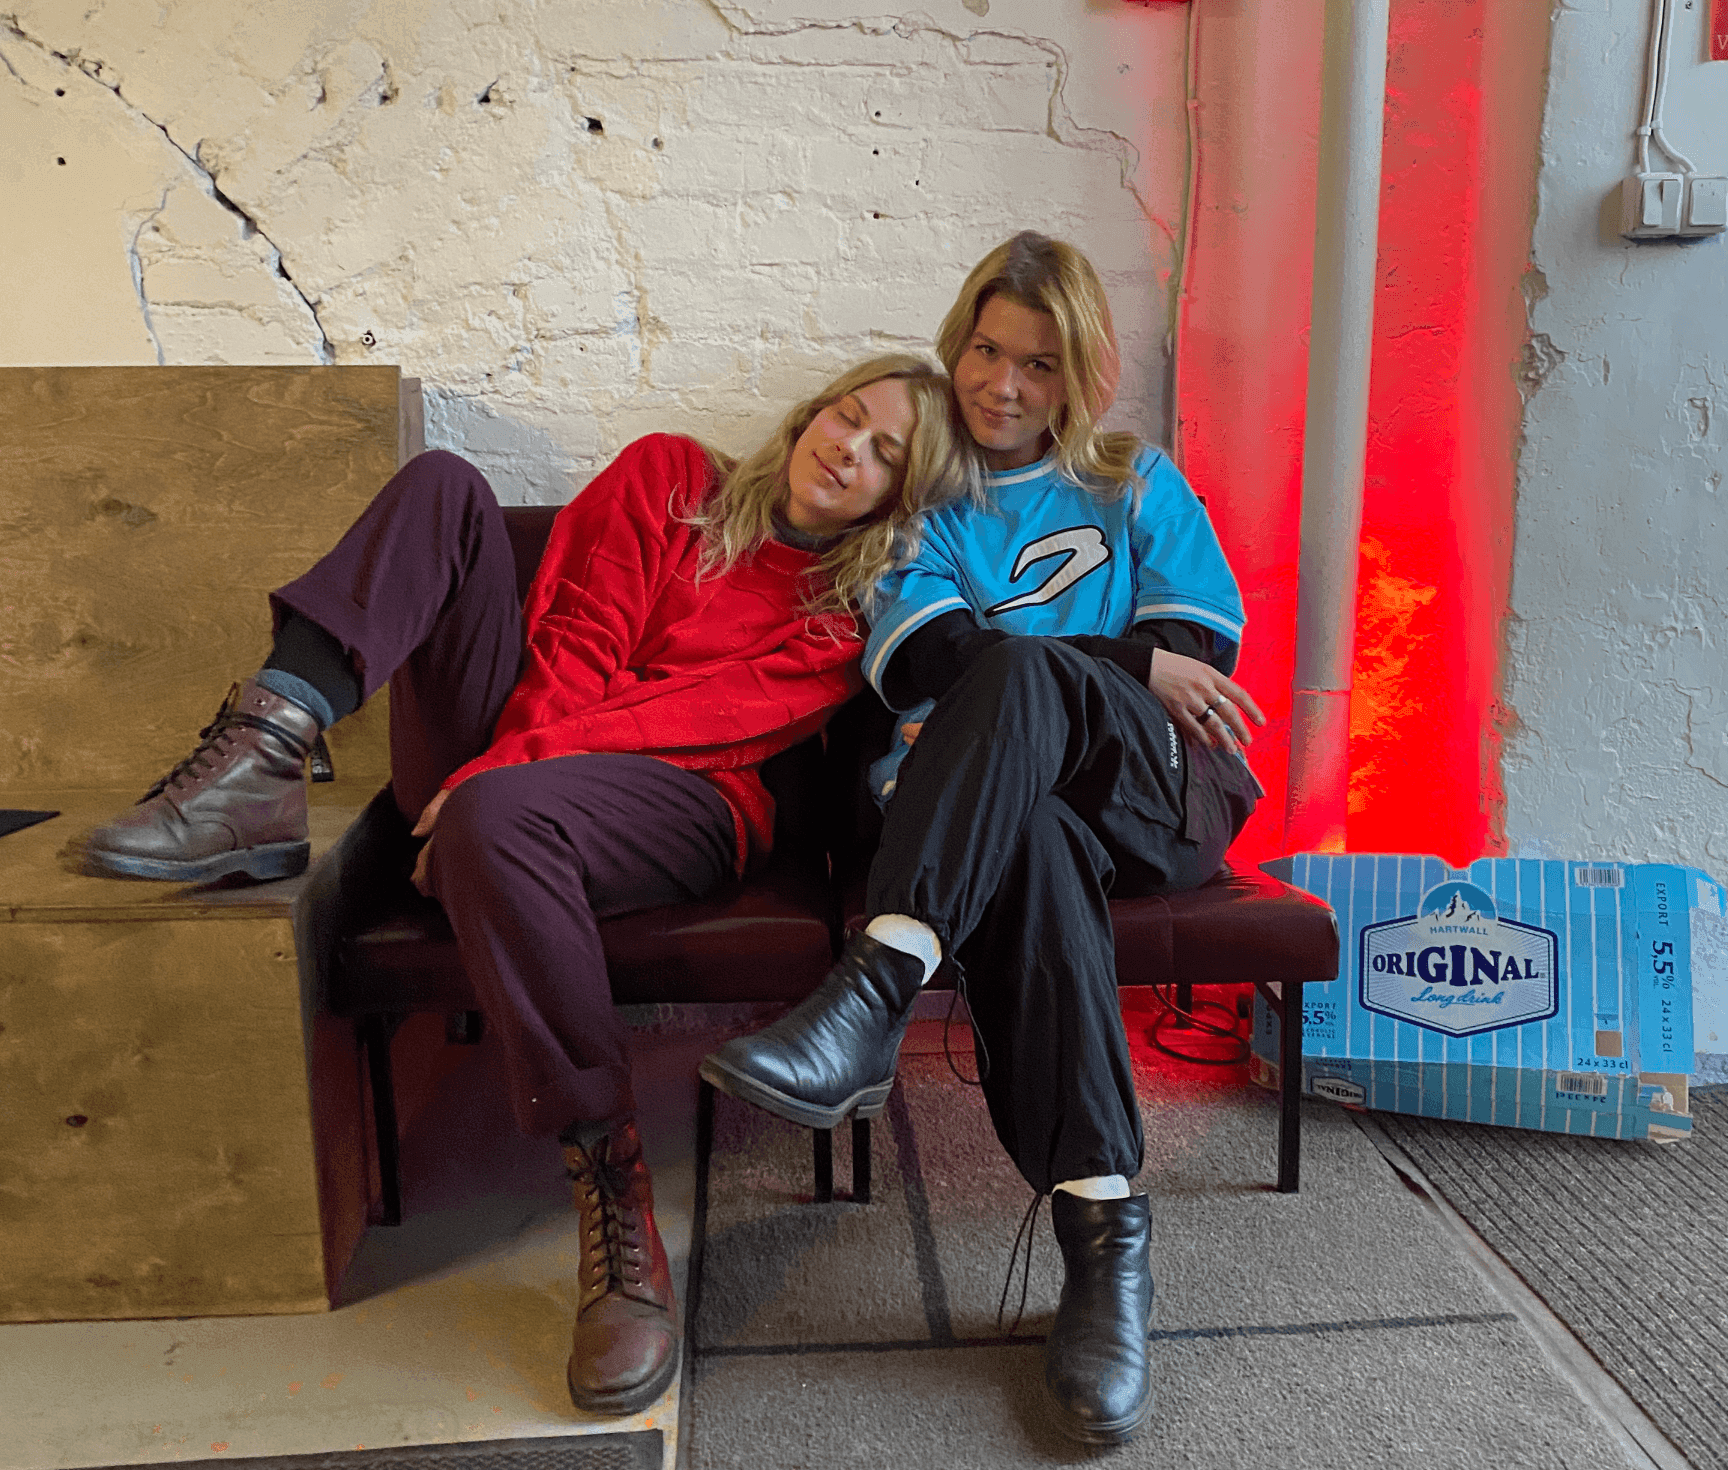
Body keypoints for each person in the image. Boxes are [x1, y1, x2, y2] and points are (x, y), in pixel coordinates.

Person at [83, 353, 971, 1418]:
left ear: (898, 497)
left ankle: (612, 1185)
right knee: (443, 485)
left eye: (886, 454)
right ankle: (264, 750)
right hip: (517, 741)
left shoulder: (848, 610)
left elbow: (696, 722)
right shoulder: (669, 476)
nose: (849, 449)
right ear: (811, 413)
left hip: (685, 794)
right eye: (848, 415)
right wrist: (498, 768)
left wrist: (492, 786)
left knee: (500, 821)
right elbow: (575, 634)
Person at [701, 233, 1267, 1445]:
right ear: (958, 343)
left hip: (1159, 791)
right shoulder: (922, 505)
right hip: (1013, 815)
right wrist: (1120, 659)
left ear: (1081, 376)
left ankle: (877, 987)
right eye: (987, 351)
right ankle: (1105, 1245)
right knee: (1033, 830)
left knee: (1017, 679)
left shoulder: (1132, 480)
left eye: (1039, 364)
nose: (1004, 386)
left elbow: (1197, 664)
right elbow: (929, 660)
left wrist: (1093, 672)